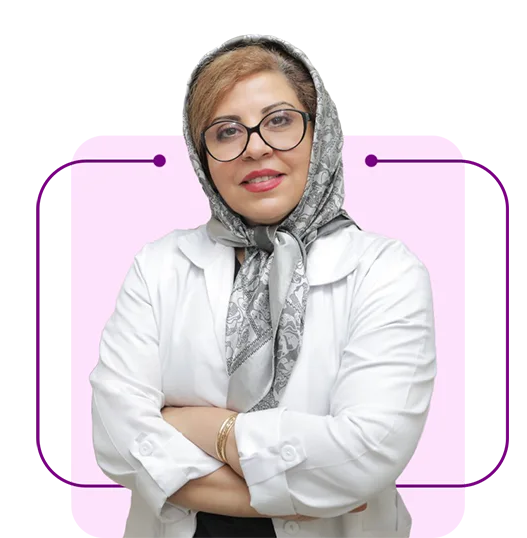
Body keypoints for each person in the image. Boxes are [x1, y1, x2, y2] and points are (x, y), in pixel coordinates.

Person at [89, 34, 437, 538]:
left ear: (320, 132)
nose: (255, 148)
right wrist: (302, 495)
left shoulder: (386, 270)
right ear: (202, 156)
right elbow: (116, 440)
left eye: (279, 121)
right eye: (227, 131)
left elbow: (366, 455)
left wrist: (206, 428)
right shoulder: (158, 266)